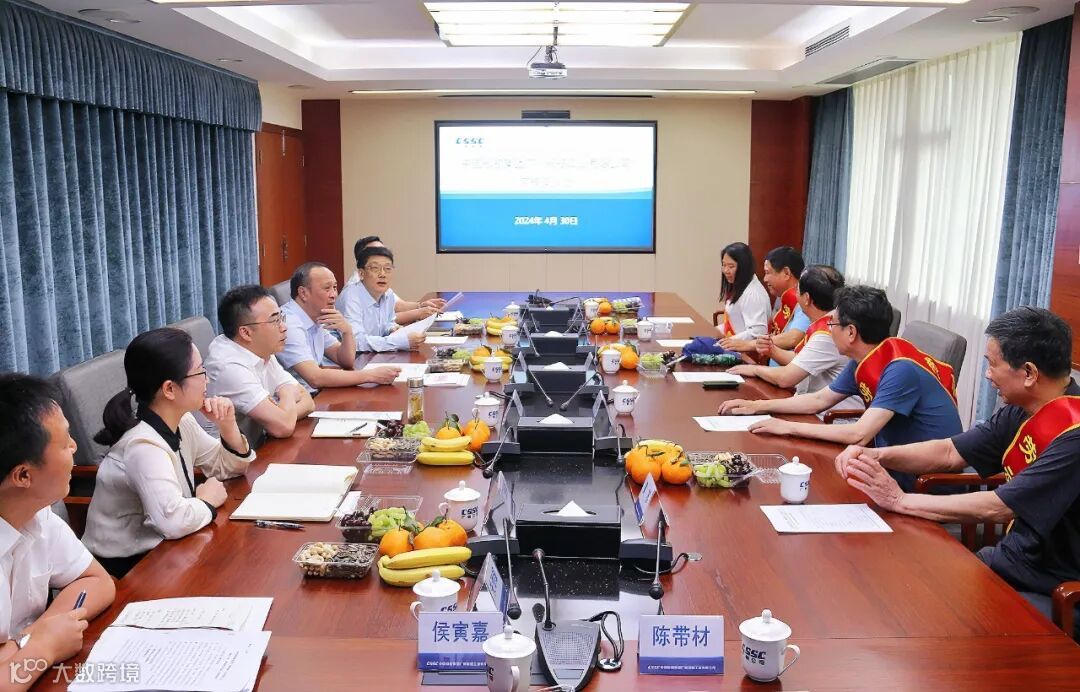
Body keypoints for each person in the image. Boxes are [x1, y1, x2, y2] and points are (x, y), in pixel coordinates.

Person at [836, 307, 1080, 634]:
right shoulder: (1024, 409)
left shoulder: (1073, 434)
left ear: (1029, 373)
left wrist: (899, 500)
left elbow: (999, 507)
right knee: (897, 584)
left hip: (1054, 587)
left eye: (992, 364)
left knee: (925, 615)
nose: (987, 375)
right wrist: (876, 455)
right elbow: (950, 452)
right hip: (1013, 559)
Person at [719, 285, 962, 488]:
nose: (828, 329)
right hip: (889, 463)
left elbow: (859, 434)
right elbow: (819, 400)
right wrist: (758, 406)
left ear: (851, 332)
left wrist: (786, 427)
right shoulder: (865, 358)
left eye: (832, 324)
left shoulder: (900, 369)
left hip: (925, 481)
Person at [82, 328, 256, 578]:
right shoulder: (142, 446)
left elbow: (226, 468)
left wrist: (227, 425)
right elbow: (172, 521)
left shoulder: (181, 421)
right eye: (200, 371)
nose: (206, 380)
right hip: (127, 570)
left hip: (165, 552)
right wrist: (205, 500)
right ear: (170, 389)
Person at [0, 375, 115, 690]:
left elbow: (98, 582)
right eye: (65, 443)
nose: (75, 446)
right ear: (23, 475)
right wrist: (44, 648)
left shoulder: (37, 515)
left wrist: (28, 638)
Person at [728, 265, 861, 409]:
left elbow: (785, 378)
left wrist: (755, 370)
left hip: (825, 415)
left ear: (807, 298)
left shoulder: (829, 332)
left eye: (797, 289)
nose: (795, 294)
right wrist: (772, 350)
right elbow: (801, 360)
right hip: (810, 404)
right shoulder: (828, 321)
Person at [203, 285, 315, 439]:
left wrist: (283, 413)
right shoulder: (229, 366)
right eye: (275, 321)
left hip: (260, 444)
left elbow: (308, 401)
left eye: (281, 318)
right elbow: (283, 427)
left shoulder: (260, 348)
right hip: (230, 452)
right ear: (246, 333)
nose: (284, 327)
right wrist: (287, 393)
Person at [276, 262, 400, 391]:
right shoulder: (289, 324)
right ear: (303, 293)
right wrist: (371, 376)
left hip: (315, 394)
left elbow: (344, 360)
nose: (333, 295)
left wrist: (347, 331)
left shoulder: (316, 316)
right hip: (299, 398)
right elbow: (315, 378)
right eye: (327, 288)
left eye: (334, 287)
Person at [338, 246, 426, 352]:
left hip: (372, 356)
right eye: (375, 268)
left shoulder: (388, 294)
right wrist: (400, 341)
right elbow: (355, 342)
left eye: (387, 269)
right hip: (347, 359)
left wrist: (393, 329)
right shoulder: (351, 297)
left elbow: (387, 323)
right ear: (361, 273)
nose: (382, 274)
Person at [344, 235, 445, 324]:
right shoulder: (354, 291)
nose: (381, 254)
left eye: (382, 250)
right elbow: (383, 321)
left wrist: (420, 305)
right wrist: (418, 313)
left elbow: (397, 305)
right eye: (374, 251)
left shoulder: (379, 282)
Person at [714, 242, 771, 353]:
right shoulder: (740, 285)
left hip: (747, 353)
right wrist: (711, 332)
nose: (726, 271)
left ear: (743, 267)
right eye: (724, 265)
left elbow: (758, 333)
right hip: (734, 346)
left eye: (731, 266)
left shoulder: (753, 294)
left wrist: (727, 342)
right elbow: (735, 323)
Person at [759, 246, 809, 353]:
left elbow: (793, 338)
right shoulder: (781, 297)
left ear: (786, 273)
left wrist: (751, 344)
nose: (765, 279)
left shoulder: (804, 300)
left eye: (768, 273)